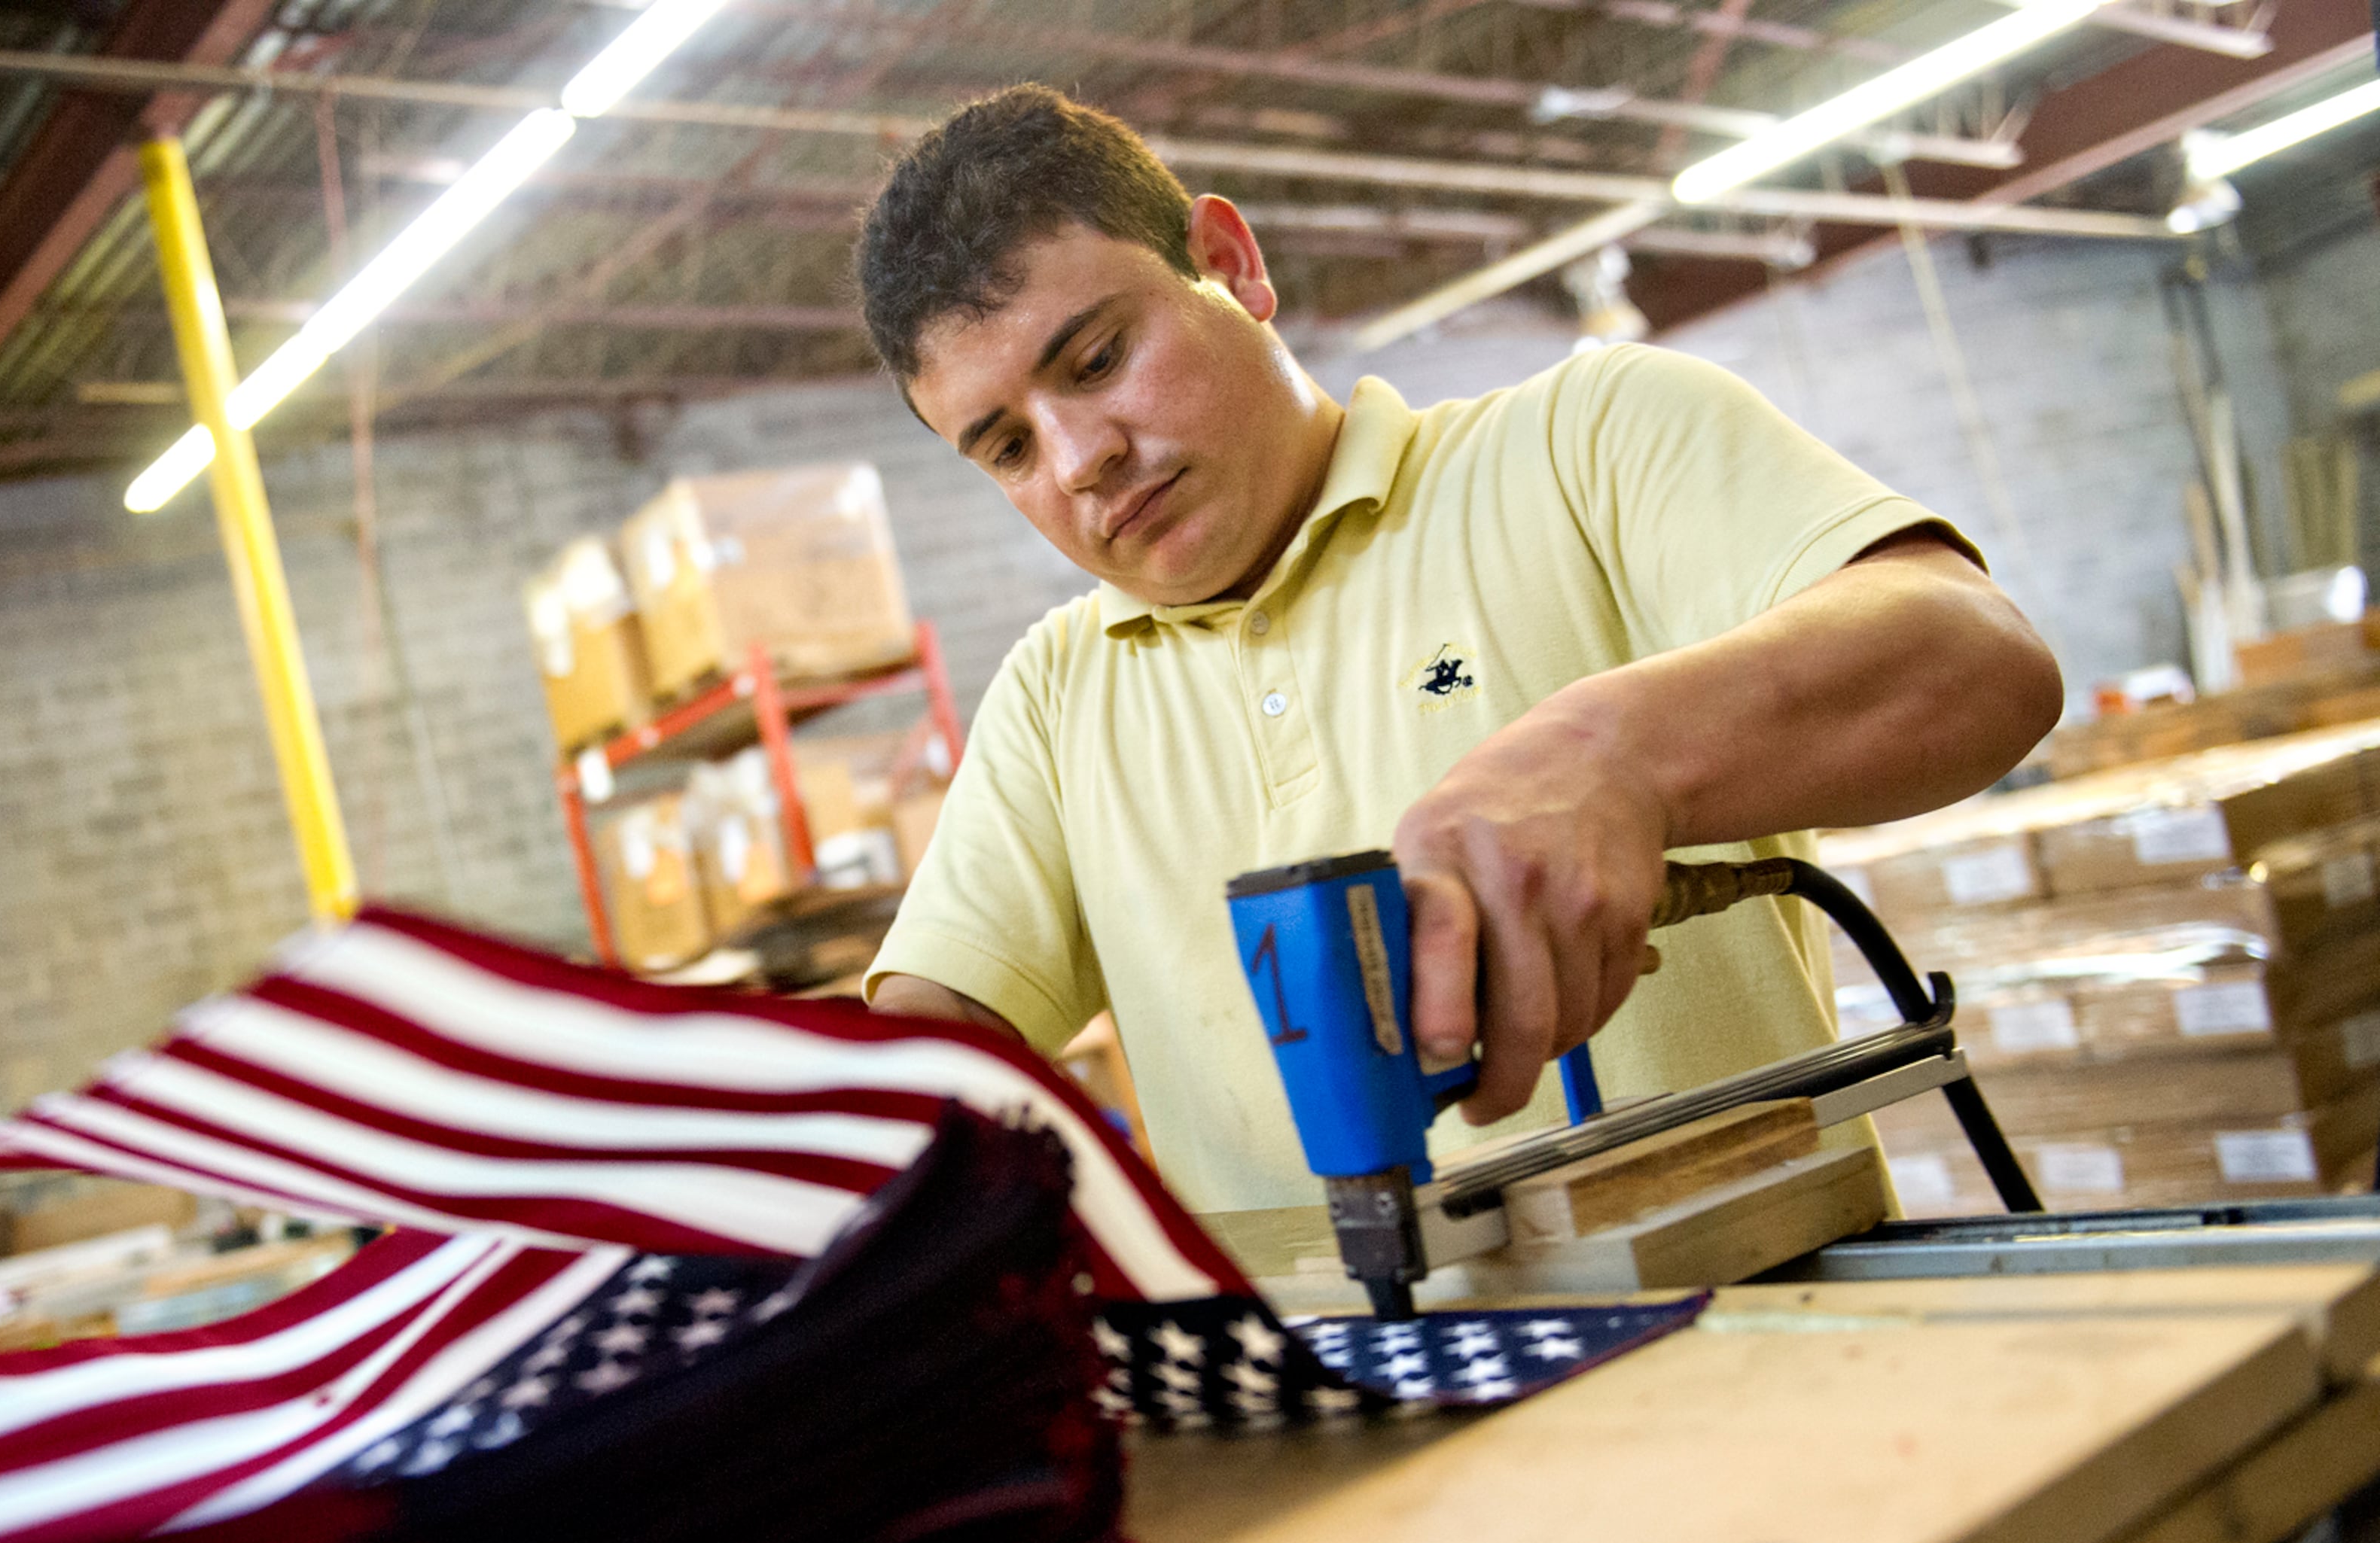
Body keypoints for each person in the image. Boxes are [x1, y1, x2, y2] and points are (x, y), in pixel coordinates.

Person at [855, 85, 2062, 1216]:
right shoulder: (1057, 701)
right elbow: (938, 1042)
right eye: (1007, 447)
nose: (1079, 460)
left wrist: (1620, 756)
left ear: (1230, 264)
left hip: (1765, 1348)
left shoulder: (1586, 448)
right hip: (1343, 1427)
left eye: (1099, 359)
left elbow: (1976, 658)